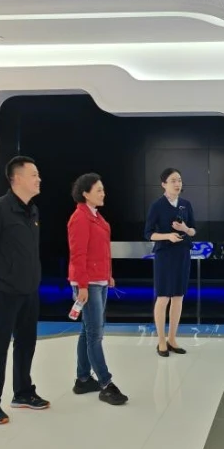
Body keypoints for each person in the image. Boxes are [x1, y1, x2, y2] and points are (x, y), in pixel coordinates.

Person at [0, 156, 49, 424]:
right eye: (33, 174)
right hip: (4, 290)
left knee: (26, 343)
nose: (38, 179)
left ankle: (23, 392)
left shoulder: (32, 211)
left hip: (29, 290)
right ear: (16, 178)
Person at [67, 173, 128, 405]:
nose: (103, 193)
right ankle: (105, 383)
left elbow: (102, 250)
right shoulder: (80, 218)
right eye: (99, 190)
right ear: (85, 193)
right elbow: (78, 254)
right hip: (88, 283)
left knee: (88, 330)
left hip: (99, 281)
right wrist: (82, 285)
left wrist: (108, 274)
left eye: (103, 189)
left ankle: (83, 379)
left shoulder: (97, 217)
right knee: (95, 333)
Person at [144, 168, 196, 357]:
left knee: (178, 297)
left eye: (179, 180)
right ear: (164, 184)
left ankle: (172, 339)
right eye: (173, 180)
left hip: (182, 254)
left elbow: (193, 231)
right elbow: (148, 234)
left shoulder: (186, 204)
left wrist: (185, 228)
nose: (177, 184)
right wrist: (168, 236)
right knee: (163, 296)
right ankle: (161, 341)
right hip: (165, 255)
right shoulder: (157, 206)